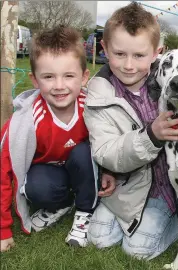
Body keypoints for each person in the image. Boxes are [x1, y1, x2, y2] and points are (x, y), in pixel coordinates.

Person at [83, 2, 178, 260]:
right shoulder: (99, 93)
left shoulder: (171, 71)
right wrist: (151, 135)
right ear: (104, 49)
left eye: (139, 55)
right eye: (119, 54)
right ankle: (154, 215)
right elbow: (106, 152)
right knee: (98, 238)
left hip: (169, 183)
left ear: (156, 54)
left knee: (139, 249)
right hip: (130, 184)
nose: (129, 65)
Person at [0, 26, 115, 252]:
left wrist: (112, 172)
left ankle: (84, 212)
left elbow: (115, 145)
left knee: (83, 153)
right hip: (53, 175)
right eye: (49, 77)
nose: (59, 86)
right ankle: (62, 204)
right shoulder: (23, 123)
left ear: (83, 77)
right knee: (37, 186)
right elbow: (2, 173)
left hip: (86, 170)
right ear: (35, 80)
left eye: (69, 76)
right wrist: (3, 229)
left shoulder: (93, 109)